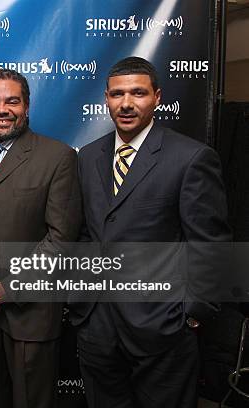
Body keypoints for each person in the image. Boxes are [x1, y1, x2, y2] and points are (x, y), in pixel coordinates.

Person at [71, 56, 231, 407]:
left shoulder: (191, 158)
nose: (126, 103)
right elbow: (84, 231)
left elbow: (210, 245)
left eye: (138, 93)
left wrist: (190, 316)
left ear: (157, 97)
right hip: (97, 327)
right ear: (106, 99)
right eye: (117, 94)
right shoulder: (88, 156)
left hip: (163, 330)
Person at [0, 68, 82, 408]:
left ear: (27, 106)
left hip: (31, 312)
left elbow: (61, 238)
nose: (2, 109)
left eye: (12, 101)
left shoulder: (57, 157)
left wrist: (14, 286)